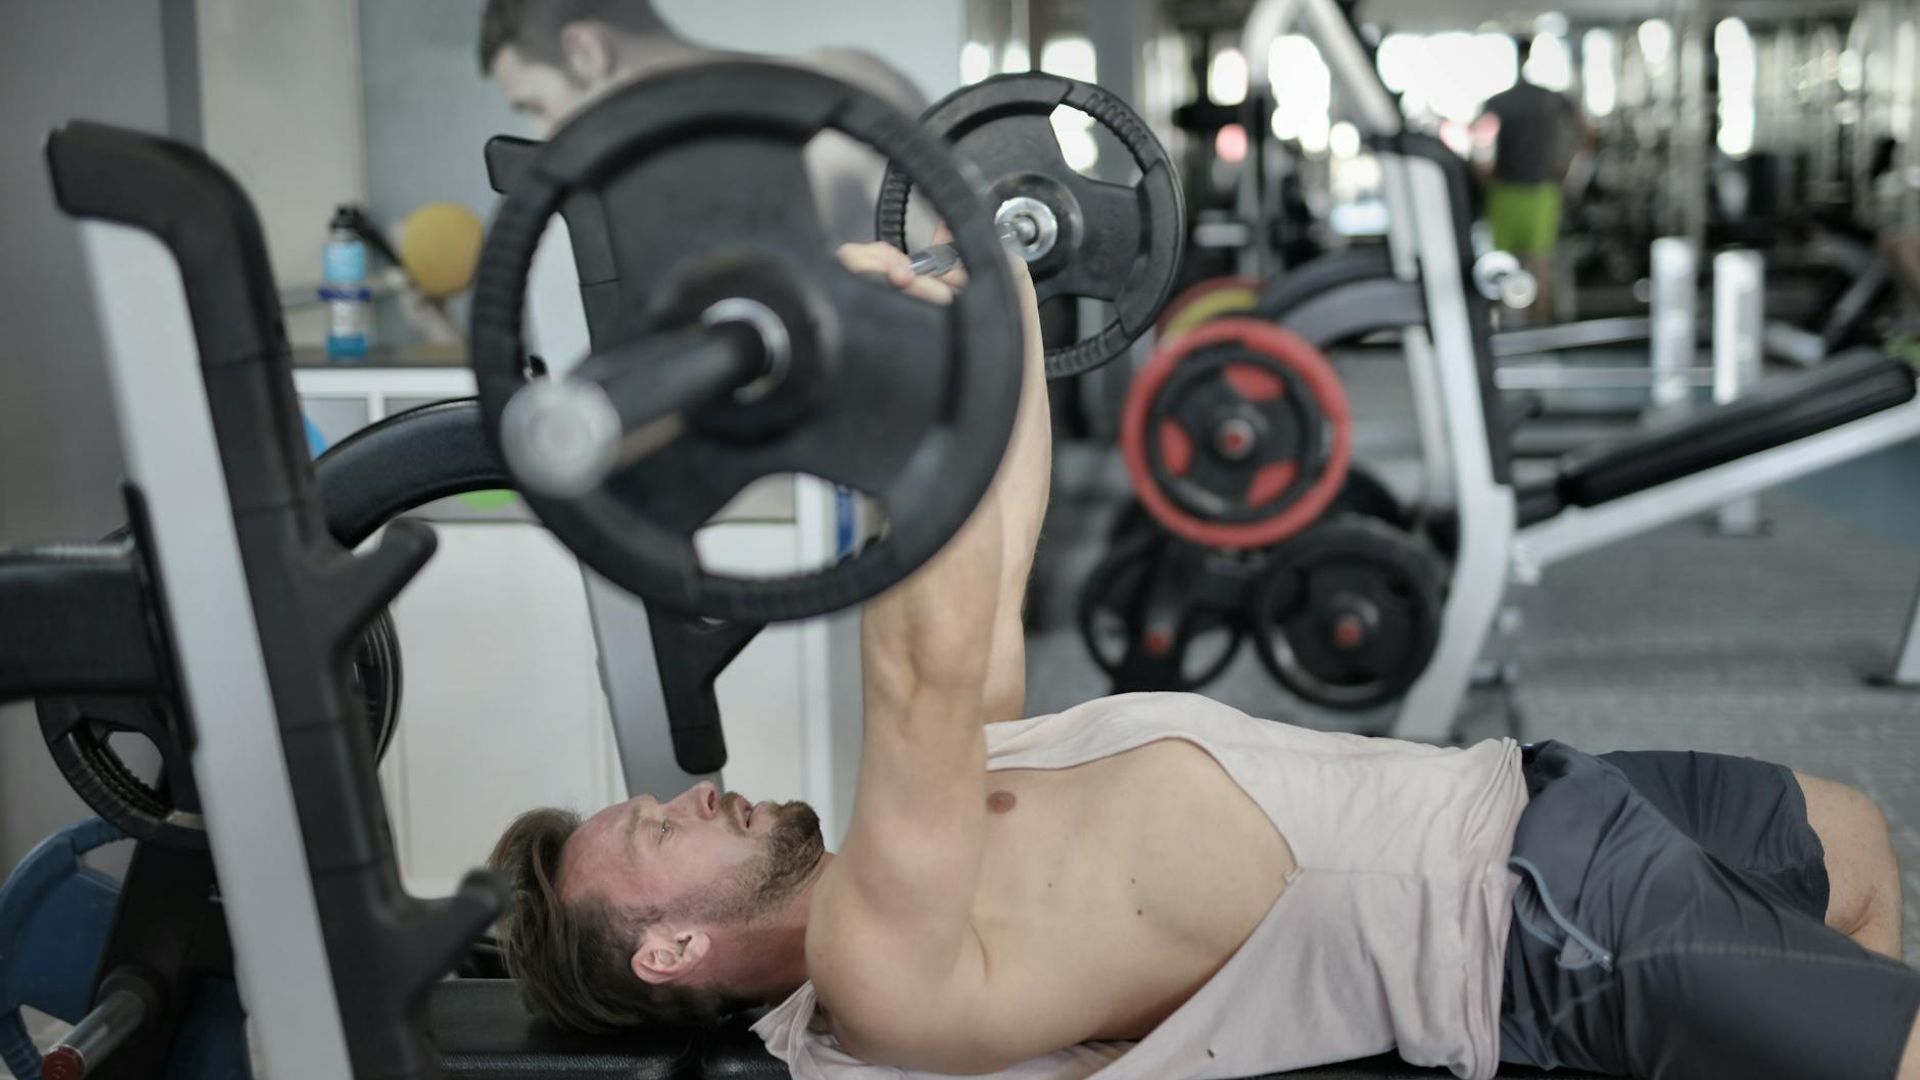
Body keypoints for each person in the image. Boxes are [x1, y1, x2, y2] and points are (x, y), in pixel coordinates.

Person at [486, 233, 1920, 1080]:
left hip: (1530, 799)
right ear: (672, 949)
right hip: (1535, 926)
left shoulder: (924, 838)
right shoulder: (877, 963)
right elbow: (914, 673)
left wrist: (1003, 299)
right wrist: (881, 387)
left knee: (1848, 842)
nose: (690, 795)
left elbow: (984, 582)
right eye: (653, 832)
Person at [478, 0, 926, 244]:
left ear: (586, 51)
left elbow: (981, 279)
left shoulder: (844, 89)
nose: (545, 135)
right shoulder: (645, 183)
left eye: (536, 106)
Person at [1476, 36, 1596, 323]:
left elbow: (1477, 140)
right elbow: (1589, 133)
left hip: (1508, 188)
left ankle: (1502, 326)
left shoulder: (1503, 101)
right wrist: (1567, 168)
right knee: (1538, 261)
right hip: (1540, 187)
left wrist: (1482, 172)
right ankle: (1537, 327)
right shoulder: (1550, 99)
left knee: (1502, 262)